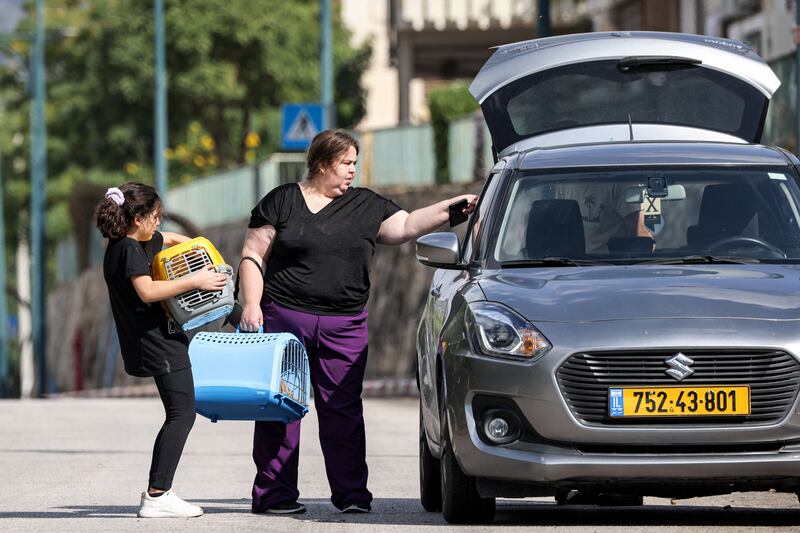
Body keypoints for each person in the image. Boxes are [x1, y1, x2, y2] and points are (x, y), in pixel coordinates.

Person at [239, 129, 477, 515]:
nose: (353, 170)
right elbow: (252, 255)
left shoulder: (365, 205)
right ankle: (274, 495)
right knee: (281, 408)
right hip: (285, 318)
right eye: (346, 163)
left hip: (345, 325)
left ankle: (351, 494)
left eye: (354, 162)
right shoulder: (282, 201)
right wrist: (251, 304)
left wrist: (452, 208)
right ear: (321, 164)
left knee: (342, 409)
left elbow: (406, 225)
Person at [95, 182, 227, 518]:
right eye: (155, 217)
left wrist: (201, 250)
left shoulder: (132, 242)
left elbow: (170, 239)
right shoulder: (126, 249)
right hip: (156, 342)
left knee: (180, 412)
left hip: (160, 338)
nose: (159, 223)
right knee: (181, 413)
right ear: (137, 218)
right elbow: (148, 291)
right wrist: (197, 281)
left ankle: (159, 492)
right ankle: (158, 494)